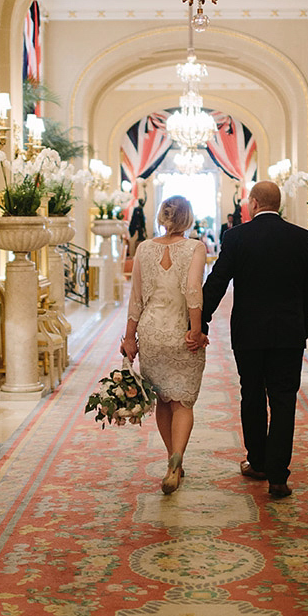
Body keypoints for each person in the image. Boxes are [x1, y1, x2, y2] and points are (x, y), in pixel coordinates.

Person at [201, 180, 308, 499]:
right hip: (288, 335)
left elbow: (217, 282)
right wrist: (302, 327)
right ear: (277, 205)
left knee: (252, 395)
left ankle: (257, 462)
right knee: (284, 400)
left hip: (249, 334)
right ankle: (278, 476)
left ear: (253, 203)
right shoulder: (302, 238)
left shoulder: (237, 236)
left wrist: (200, 320)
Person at [120, 195, 208, 495]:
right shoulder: (196, 247)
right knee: (182, 401)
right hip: (180, 333)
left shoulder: (144, 248)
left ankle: (173, 461)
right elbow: (193, 290)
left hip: (152, 333)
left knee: (163, 400)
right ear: (188, 219)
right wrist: (195, 331)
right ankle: (176, 461)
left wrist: (130, 337)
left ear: (162, 216)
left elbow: (136, 299)